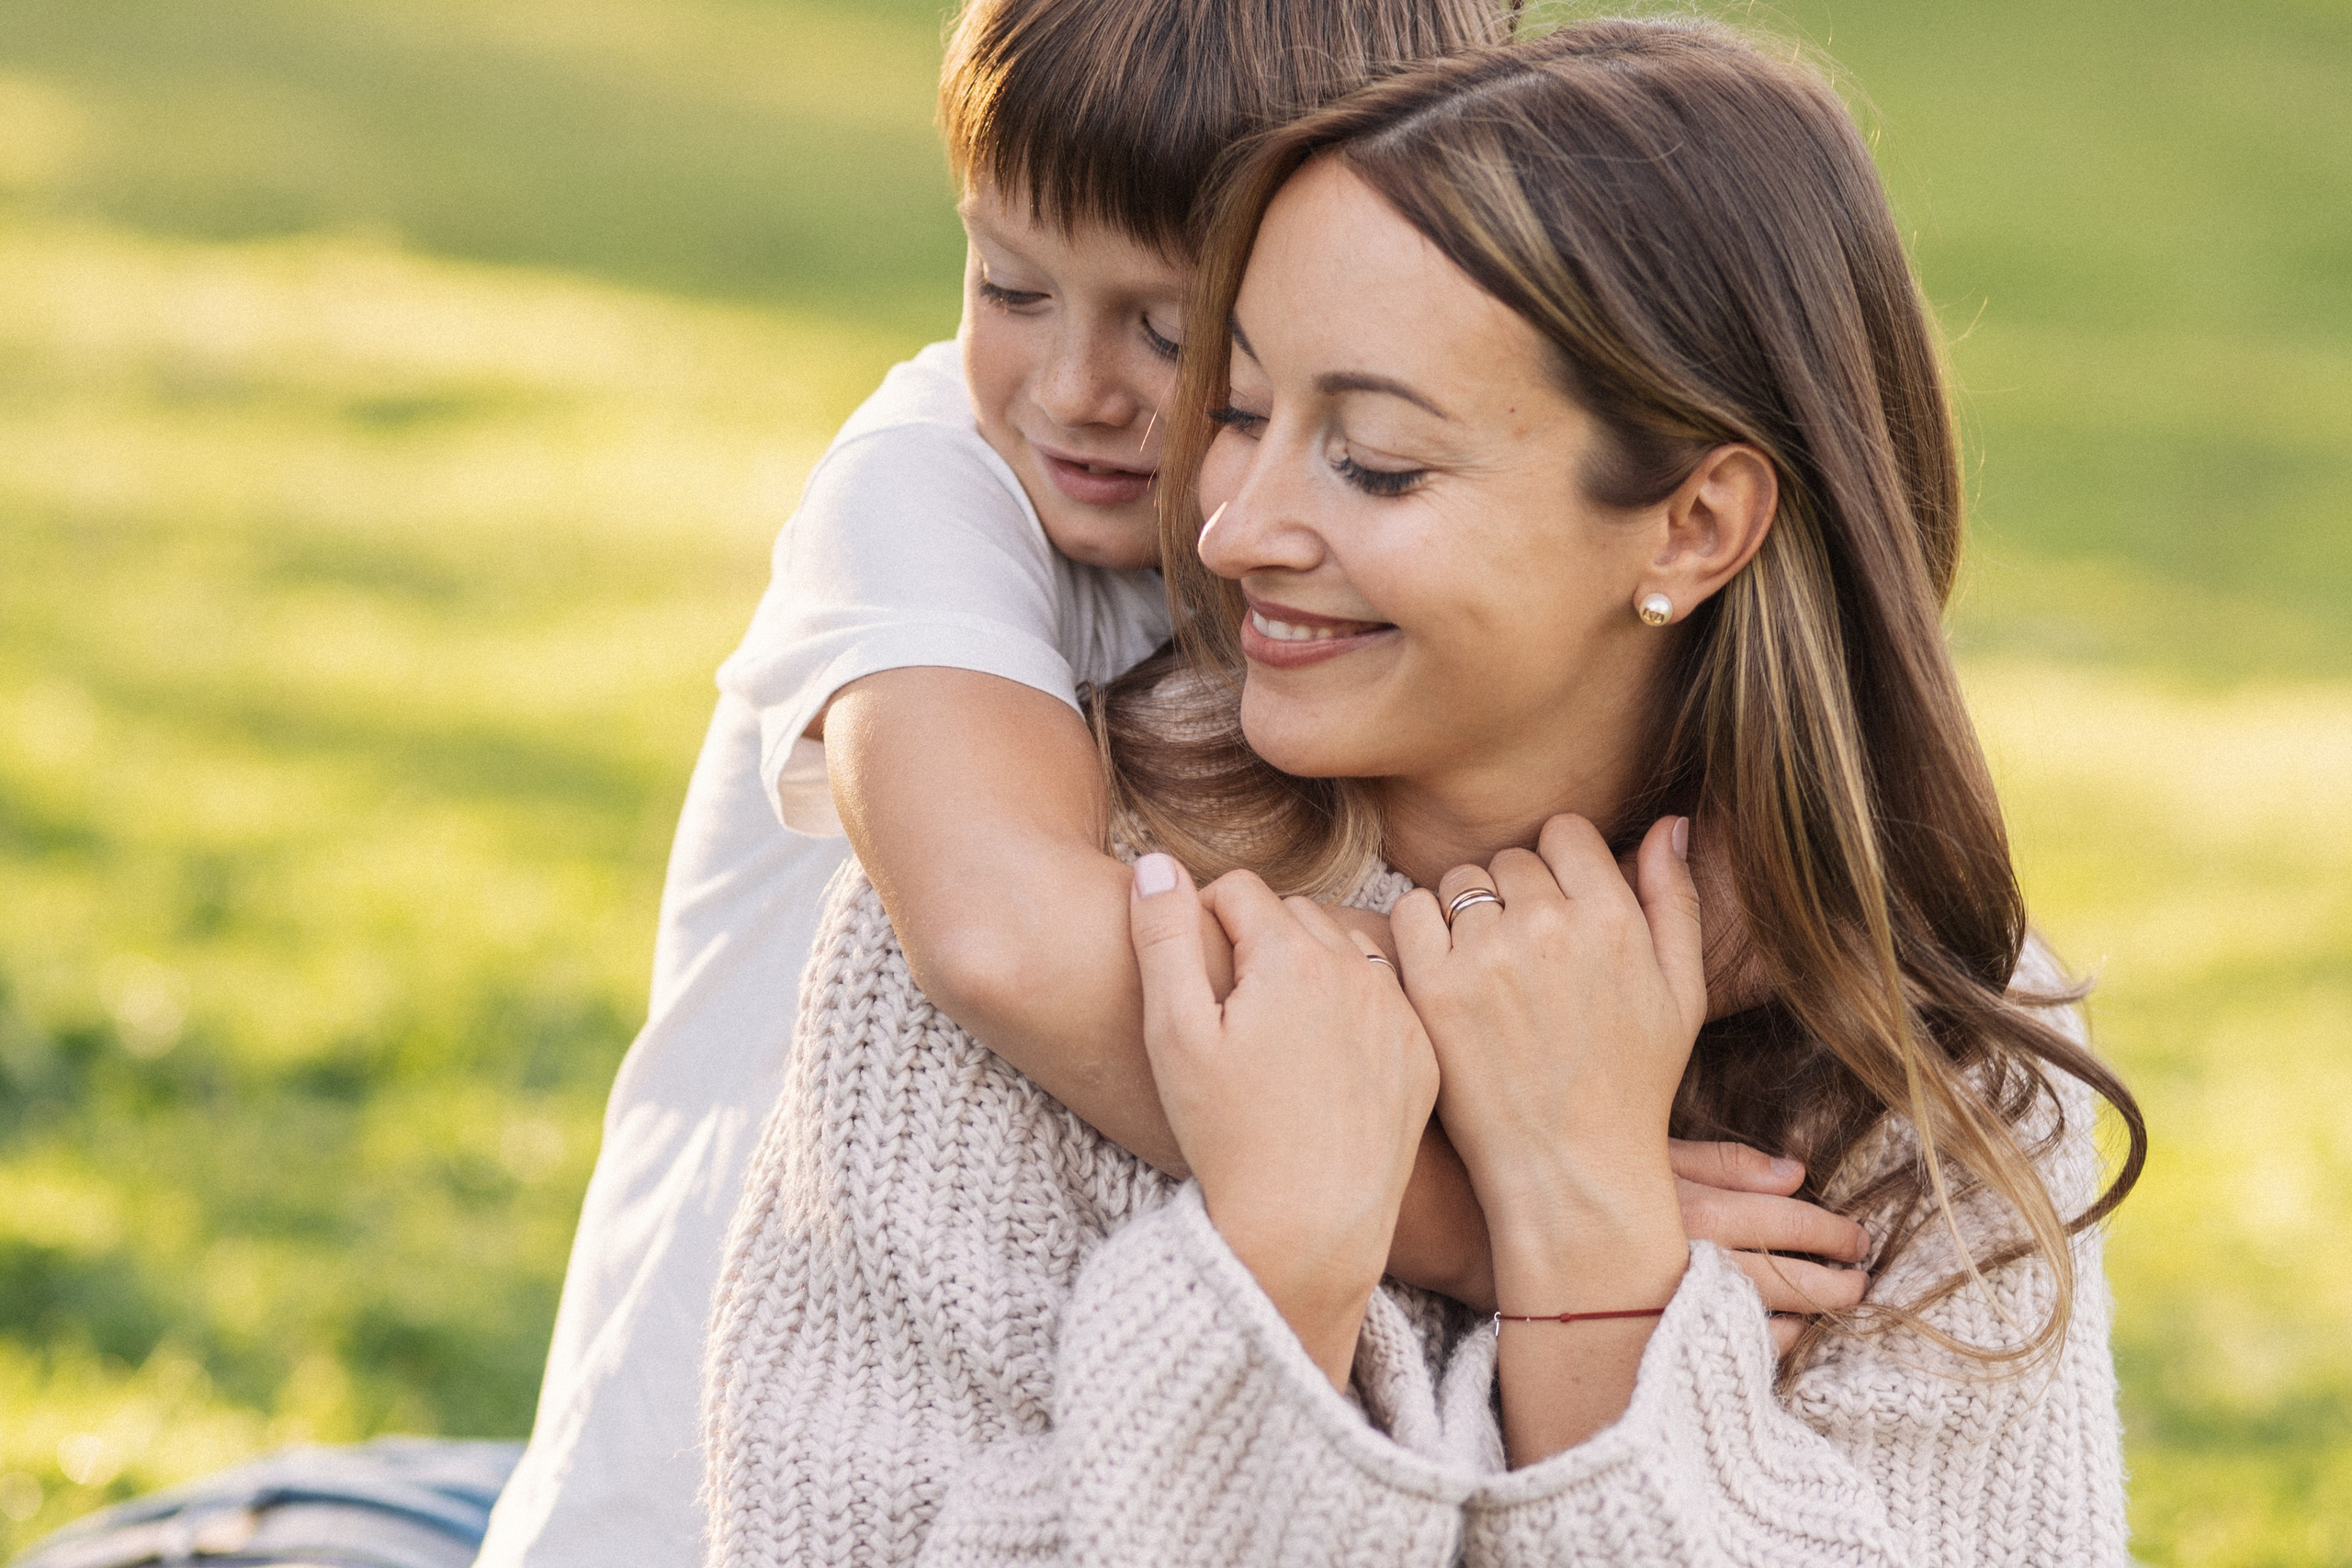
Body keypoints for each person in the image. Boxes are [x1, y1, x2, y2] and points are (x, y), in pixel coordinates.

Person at [705, 16, 2148, 1566]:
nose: (1233, 528)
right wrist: (1275, 1267)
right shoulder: (1060, 923)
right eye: (1242, 413)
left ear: (1691, 525)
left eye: (1377, 464)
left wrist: (1591, 1259)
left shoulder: (1938, 1059)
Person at [481, 4, 1859, 1565]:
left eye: (1172, 326)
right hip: (704, 1484)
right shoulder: (933, 484)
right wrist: (1513, 1205)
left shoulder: (1303, 543)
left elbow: (1756, 886)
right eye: (1008, 284)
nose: (1076, 388)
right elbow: (1005, 935)